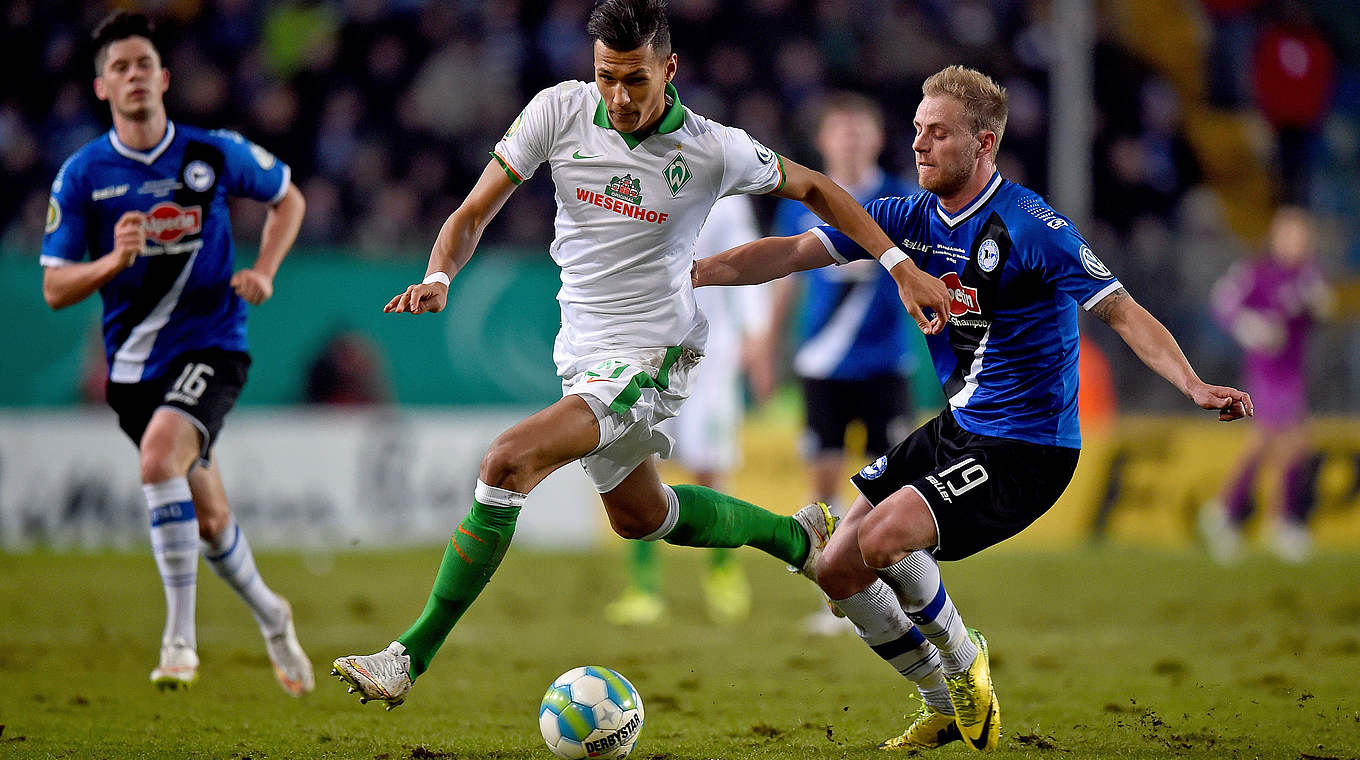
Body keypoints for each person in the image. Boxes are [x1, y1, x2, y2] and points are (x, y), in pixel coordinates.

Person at [331, 0, 951, 711]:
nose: (620, 98)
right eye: (607, 79)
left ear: (669, 69)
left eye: (635, 80)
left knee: (507, 461)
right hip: (583, 350)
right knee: (640, 514)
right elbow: (472, 213)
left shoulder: (711, 147)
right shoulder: (556, 113)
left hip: (654, 354)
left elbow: (814, 187)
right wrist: (439, 275)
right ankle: (796, 536)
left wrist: (898, 263)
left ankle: (407, 657)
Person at [693, 65, 1252, 752]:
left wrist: (1192, 384)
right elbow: (790, 252)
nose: (920, 146)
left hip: (1028, 448)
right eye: (917, 132)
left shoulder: (1031, 226)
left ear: (984, 144)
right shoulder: (904, 215)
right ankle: (946, 703)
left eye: (938, 134)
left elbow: (1124, 313)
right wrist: (697, 270)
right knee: (838, 570)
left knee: (882, 536)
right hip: (960, 428)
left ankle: (966, 660)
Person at [39, 12, 313, 695]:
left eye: (142, 64)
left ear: (163, 78)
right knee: (211, 517)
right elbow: (52, 287)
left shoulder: (212, 152)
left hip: (215, 345)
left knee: (159, 456)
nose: (132, 76)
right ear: (102, 88)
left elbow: (288, 199)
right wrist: (111, 261)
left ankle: (179, 641)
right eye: (118, 68)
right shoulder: (82, 175)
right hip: (133, 369)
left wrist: (267, 270)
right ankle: (273, 615)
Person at [770, 94, 920, 636]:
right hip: (820, 366)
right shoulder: (800, 203)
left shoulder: (903, 199)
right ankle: (837, 601)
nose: (851, 140)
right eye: (841, 131)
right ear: (824, 141)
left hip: (885, 364)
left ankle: (904, 598)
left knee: (894, 489)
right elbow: (784, 279)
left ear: (878, 139)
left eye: (861, 131)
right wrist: (765, 348)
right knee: (825, 484)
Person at [605, 193, 768, 627]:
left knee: (709, 466)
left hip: (710, 356)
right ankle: (644, 588)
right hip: (645, 350)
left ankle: (723, 575)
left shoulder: (724, 196)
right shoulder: (637, 185)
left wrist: (755, 332)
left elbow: (748, 259)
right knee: (635, 461)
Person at [1200, 206, 1333, 564]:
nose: (1296, 242)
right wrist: (1250, 327)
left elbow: (1320, 311)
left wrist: (1318, 305)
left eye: (1301, 236)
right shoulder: (1257, 272)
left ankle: (1229, 515)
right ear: (1275, 238)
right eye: (1289, 235)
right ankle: (1271, 521)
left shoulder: (1308, 275)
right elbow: (1222, 302)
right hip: (1266, 371)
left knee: (1286, 444)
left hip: (1292, 372)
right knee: (1276, 439)